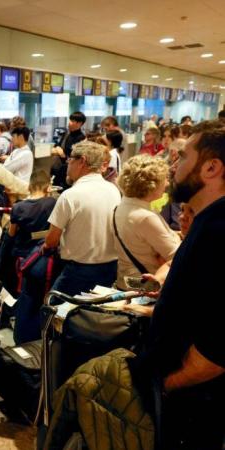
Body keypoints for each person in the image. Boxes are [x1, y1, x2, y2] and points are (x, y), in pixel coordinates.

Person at [135, 120, 225, 449]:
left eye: (183, 157)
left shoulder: (218, 231)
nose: (174, 166)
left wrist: (169, 384)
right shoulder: (205, 222)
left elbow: (218, 348)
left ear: (211, 167)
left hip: (195, 404)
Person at [43, 141, 121, 296]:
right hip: (111, 267)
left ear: (82, 161)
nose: (68, 165)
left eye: (70, 160)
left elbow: (51, 240)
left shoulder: (70, 195)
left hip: (79, 270)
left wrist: (44, 246)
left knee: (53, 309)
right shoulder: (113, 190)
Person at [113, 155, 181, 290]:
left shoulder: (122, 207)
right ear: (151, 183)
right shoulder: (145, 217)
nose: (167, 183)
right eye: (165, 179)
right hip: (145, 288)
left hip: (126, 283)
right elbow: (178, 256)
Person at [9, 169, 56, 258]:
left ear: (30, 185)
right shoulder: (52, 203)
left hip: (21, 254)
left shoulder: (17, 207)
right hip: (42, 253)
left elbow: (11, 233)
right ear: (48, 186)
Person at [51, 111, 86, 189]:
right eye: (70, 120)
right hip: (58, 168)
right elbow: (57, 146)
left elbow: (76, 157)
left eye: (73, 121)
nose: (69, 123)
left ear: (79, 124)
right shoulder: (67, 134)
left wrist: (62, 154)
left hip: (69, 172)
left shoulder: (81, 138)